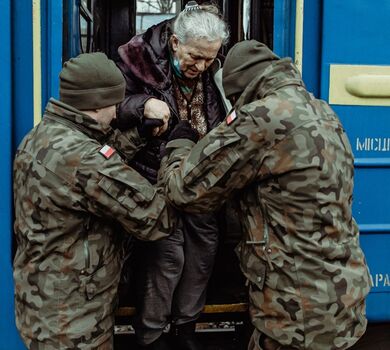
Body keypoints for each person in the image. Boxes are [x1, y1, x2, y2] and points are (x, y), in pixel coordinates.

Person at [160, 40, 372, 350]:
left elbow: (185, 191)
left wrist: (180, 144)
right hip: (341, 296)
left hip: (296, 313)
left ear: (241, 89)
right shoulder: (320, 109)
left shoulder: (262, 117)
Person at [13, 52, 174, 350]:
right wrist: (178, 153)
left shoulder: (43, 137)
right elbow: (156, 218)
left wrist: (138, 135)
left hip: (43, 307)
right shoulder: (84, 161)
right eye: (115, 103)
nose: (116, 112)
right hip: (75, 325)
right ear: (98, 102)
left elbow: (93, 171)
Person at [115, 2, 230, 348]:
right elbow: (108, 107)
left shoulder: (214, 69)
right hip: (156, 174)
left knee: (202, 250)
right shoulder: (136, 58)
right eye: (196, 57)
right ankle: (151, 334)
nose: (202, 66)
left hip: (200, 177)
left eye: (210, 59)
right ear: (176, 42)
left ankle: (186, 327)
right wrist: (141, 106)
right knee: (167, 255)